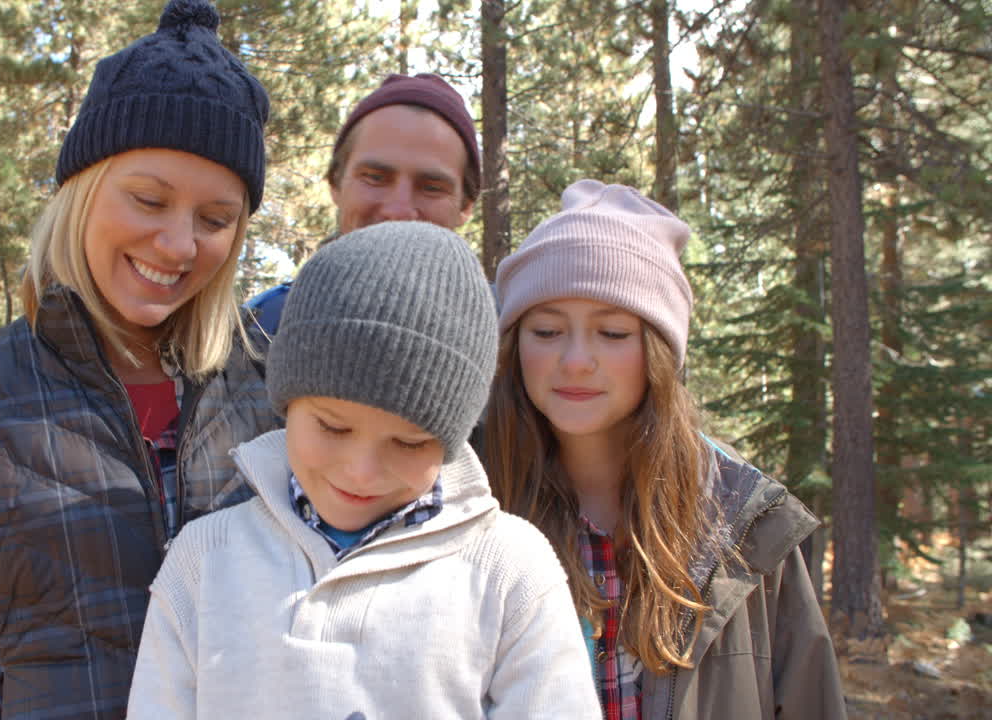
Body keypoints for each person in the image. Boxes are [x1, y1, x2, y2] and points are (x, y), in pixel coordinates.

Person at [0, 2, 278, 717]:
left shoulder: (282, 390)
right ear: (80, 190)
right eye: (148, 199)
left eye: (216, 219)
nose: (178, 243)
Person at [127, 221, 602, 720]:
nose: (361, 471)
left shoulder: (509, 570)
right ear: (286, 404)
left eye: (408, 442)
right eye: (332, 427)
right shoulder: (206, 560)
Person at [484, 180, 847, 720]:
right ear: (515, 347)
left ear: (659, 353)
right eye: (547, 330)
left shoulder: (745, 522)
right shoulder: (468, 504)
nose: (577, 359)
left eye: (612, 332)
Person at [245, 72, 480, 334]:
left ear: (466, 205)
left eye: (432, 187)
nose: (398, 211)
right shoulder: (258, 334)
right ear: (335, 183)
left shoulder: (511, 351)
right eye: (375, 178)